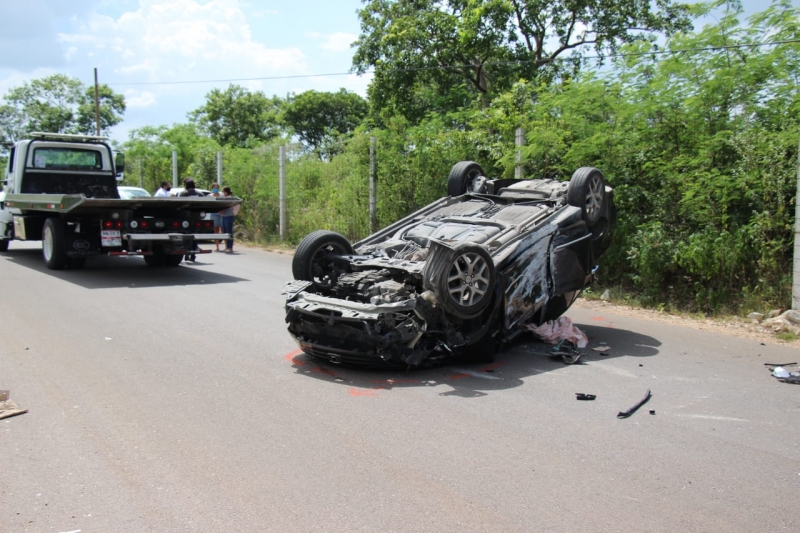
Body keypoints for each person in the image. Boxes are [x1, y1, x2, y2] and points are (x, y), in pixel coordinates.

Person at [218, 186, 239, 253]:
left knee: (229, 232)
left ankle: (230, 247)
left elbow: (225, 207)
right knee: (225, 232)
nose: (222, 193)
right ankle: (227, 246)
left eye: (223, 191)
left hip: (228, 216)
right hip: (223, 216)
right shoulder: (224, 198)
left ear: (226, 192)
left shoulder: (229, 199)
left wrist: (220, 211)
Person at [209, 183, 223, 251]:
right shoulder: (210, 196)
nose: (216, 189)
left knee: (223, 229)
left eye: (217, 187)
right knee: (216, 230)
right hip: (214, 213)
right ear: (212, 188)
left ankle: (226, 246)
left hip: (221, 213)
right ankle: (217, 246)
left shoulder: (221, 195)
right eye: (214, 188)